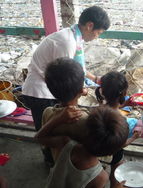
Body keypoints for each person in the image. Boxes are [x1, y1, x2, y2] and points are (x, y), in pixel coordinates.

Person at [22, 6, 110, 166]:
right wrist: (81, 90)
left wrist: (94, 78)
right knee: (48, 131)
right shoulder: (67, 42)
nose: (97, 36)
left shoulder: (74, 36)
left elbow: (76, 68)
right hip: (39, 93)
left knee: (53, 126)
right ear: (90, 25)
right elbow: (65, 76)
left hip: (47, 87)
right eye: (99, 32)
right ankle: (52, 163)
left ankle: (57, 160)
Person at [35, 57, 129, 188]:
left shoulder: (48, 113)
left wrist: (59, 119)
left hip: (61, 166)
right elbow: (107, 150)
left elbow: (40, 138)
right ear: (82, 90)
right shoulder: (87, 123)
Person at [95, 71, 140, 187]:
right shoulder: (121, 121)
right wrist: (134, 137)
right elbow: (120, 144)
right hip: (113, 152)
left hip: (97, 152)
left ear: (103, 91)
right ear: (124, 93)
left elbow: (111, 106)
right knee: (117, 172)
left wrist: (123, 104)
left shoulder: (97, 112)